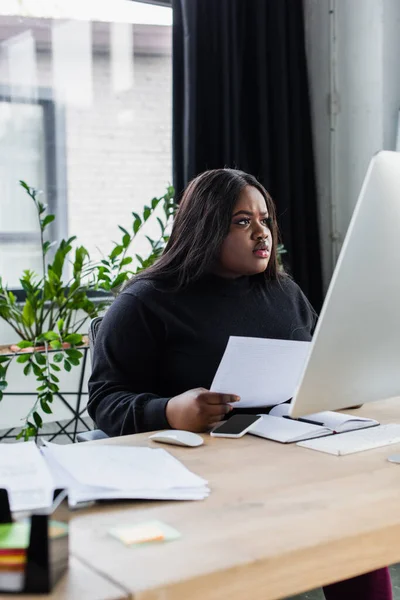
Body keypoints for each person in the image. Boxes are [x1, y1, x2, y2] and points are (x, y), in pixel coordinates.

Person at [88, 168, 392, 600]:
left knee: (354, 516)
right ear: (206, 227)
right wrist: (171, 410)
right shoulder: (146, 302)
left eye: (265, 220)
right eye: (242, 221)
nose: (262, 234)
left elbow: (315, 365)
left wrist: (342, 381)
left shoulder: (283, 294)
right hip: (200, 475)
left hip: (284, 457)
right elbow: (104, 401)